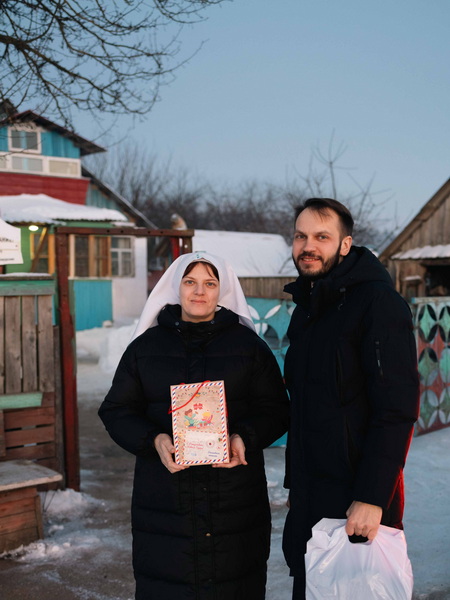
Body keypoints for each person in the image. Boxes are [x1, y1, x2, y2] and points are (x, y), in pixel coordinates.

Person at [98, 250, 289, 600]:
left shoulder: (249, 348)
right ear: (177, 287)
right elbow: (116, 410)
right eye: (190, 282)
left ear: (222, 290)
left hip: (235, 502)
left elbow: (275, 409)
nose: (199, 291)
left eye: (209, 283)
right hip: (165, 502)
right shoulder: (145, 349)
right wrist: (154, 440)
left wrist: (244, 438)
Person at [282, 198, 420, 599]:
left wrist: (372, 498)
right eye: (301, 236)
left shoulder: (377, 303)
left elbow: (396, 409)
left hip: (356, 500)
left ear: (345, 244)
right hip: (311, 496)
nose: (308, 246)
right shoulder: (308, 309)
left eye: (321, 237)